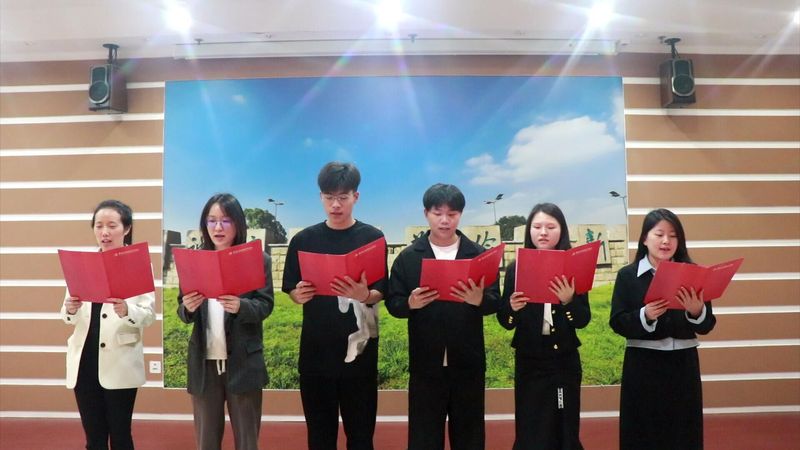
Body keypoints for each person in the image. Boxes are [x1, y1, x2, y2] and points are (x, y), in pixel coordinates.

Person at [386, 183, 501, 450]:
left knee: (469, 435)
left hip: (468, 362)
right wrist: (411, 303)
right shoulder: (408, 258)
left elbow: (495, 300)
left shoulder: (478, 255)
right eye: (438, 213)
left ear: (461, 215)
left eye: (452, 214)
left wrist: (479, 300)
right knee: (424, 436)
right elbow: (393, 303)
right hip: (426, 363)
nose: (445, 220)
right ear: (426, 213)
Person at [282, 162, 387, 450]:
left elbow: (382, 290)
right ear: (321, 197)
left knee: (361, 437)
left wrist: (365, 294)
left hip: (360, 357)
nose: (336, 205)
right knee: (320, 437)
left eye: (343, 197)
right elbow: (291, 289)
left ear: (356, 197)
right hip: (316, 355)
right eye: (329, 197)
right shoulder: (303, 240)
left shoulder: (372, 239)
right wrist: (298, 295)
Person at [610, 208, 716, 450]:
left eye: (673, 235)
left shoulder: (694, 274)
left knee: (683, 430)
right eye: (659, 234)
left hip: (683, 364)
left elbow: (708, 325)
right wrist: (645, 315)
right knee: (643, 431)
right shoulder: (628, 276)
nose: (666, 241)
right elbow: (617, 322)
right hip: (642, 365)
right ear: (644, 239)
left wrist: (696, 311)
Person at [177, 193, 274, 450]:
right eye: (211, 220)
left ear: (238, 223)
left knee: (247, 441)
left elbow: (265, 305)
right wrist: (187, 308)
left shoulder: (257, 259)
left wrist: (242, 306)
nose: (218, 227)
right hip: (204, 364)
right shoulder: (193, 260)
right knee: (206, 440)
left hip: (244, 361)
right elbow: (182, 309)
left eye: (226, 220)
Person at [61, 199, 156, 450]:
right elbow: (67, 315)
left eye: (112, 226)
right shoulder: (81, 264)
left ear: (126, 228)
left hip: (120, 359)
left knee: (121, 435)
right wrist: (70, 309)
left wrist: (127, 310)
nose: (105, 232)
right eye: (99, 226)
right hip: (84, 360)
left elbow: (148, 316)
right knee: (94, 437)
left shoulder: (138, 264)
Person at [496, 203, 591, 450]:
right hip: (529, 359)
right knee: (530, 424)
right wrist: (512, 308)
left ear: (562, 230)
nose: (543, 233)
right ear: (529, 230)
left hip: (564, 359)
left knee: (564, 422)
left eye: (551, 227)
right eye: (537, 227)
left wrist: (569, 301)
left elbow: (583, 320)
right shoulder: (515, 269)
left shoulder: (574, 267)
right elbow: (505, 321)